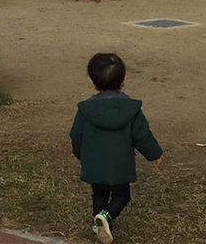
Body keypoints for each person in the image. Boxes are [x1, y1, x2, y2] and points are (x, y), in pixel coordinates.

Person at [70, 53, 164, 244]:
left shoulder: (86, 111)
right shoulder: (131, 110)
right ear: (123, 82)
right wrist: (155, 153)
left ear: (94, 84)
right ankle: (106, 216)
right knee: (122, 196)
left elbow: (76, 135)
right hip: (120, 164)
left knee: (99, 193)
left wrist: (81, 154)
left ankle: (99, 223)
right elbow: (142, 135)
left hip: (95, 164)